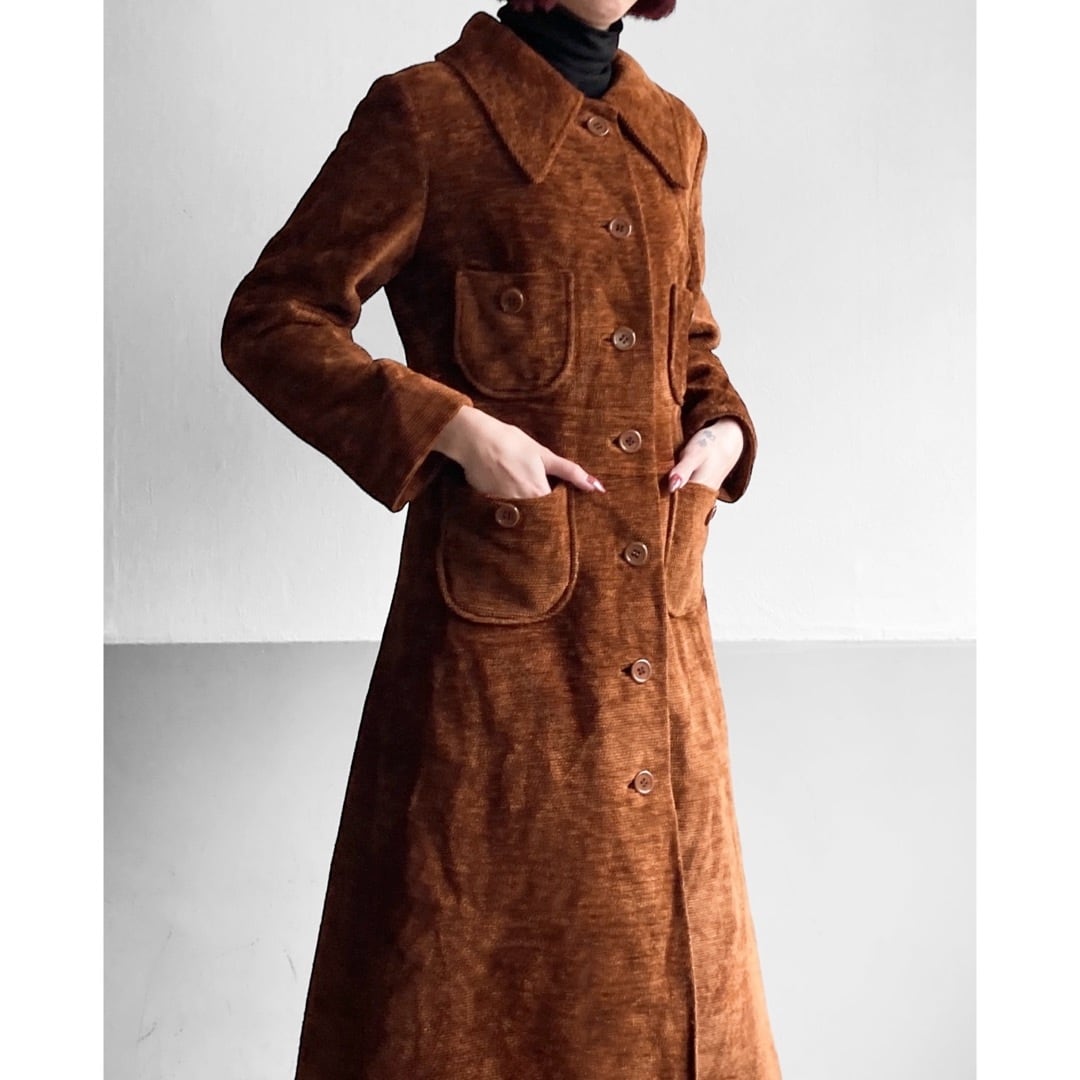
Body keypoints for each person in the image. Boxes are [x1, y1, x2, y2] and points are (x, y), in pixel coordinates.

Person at [220, 3, 783, 1077]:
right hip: (493, 663)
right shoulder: (427, 115)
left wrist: (722, 428)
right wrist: (454, 429)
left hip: (664, 648)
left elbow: (687, 340)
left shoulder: (672, 132)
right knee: (463, 985)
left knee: (678, 986)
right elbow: (274, 318)